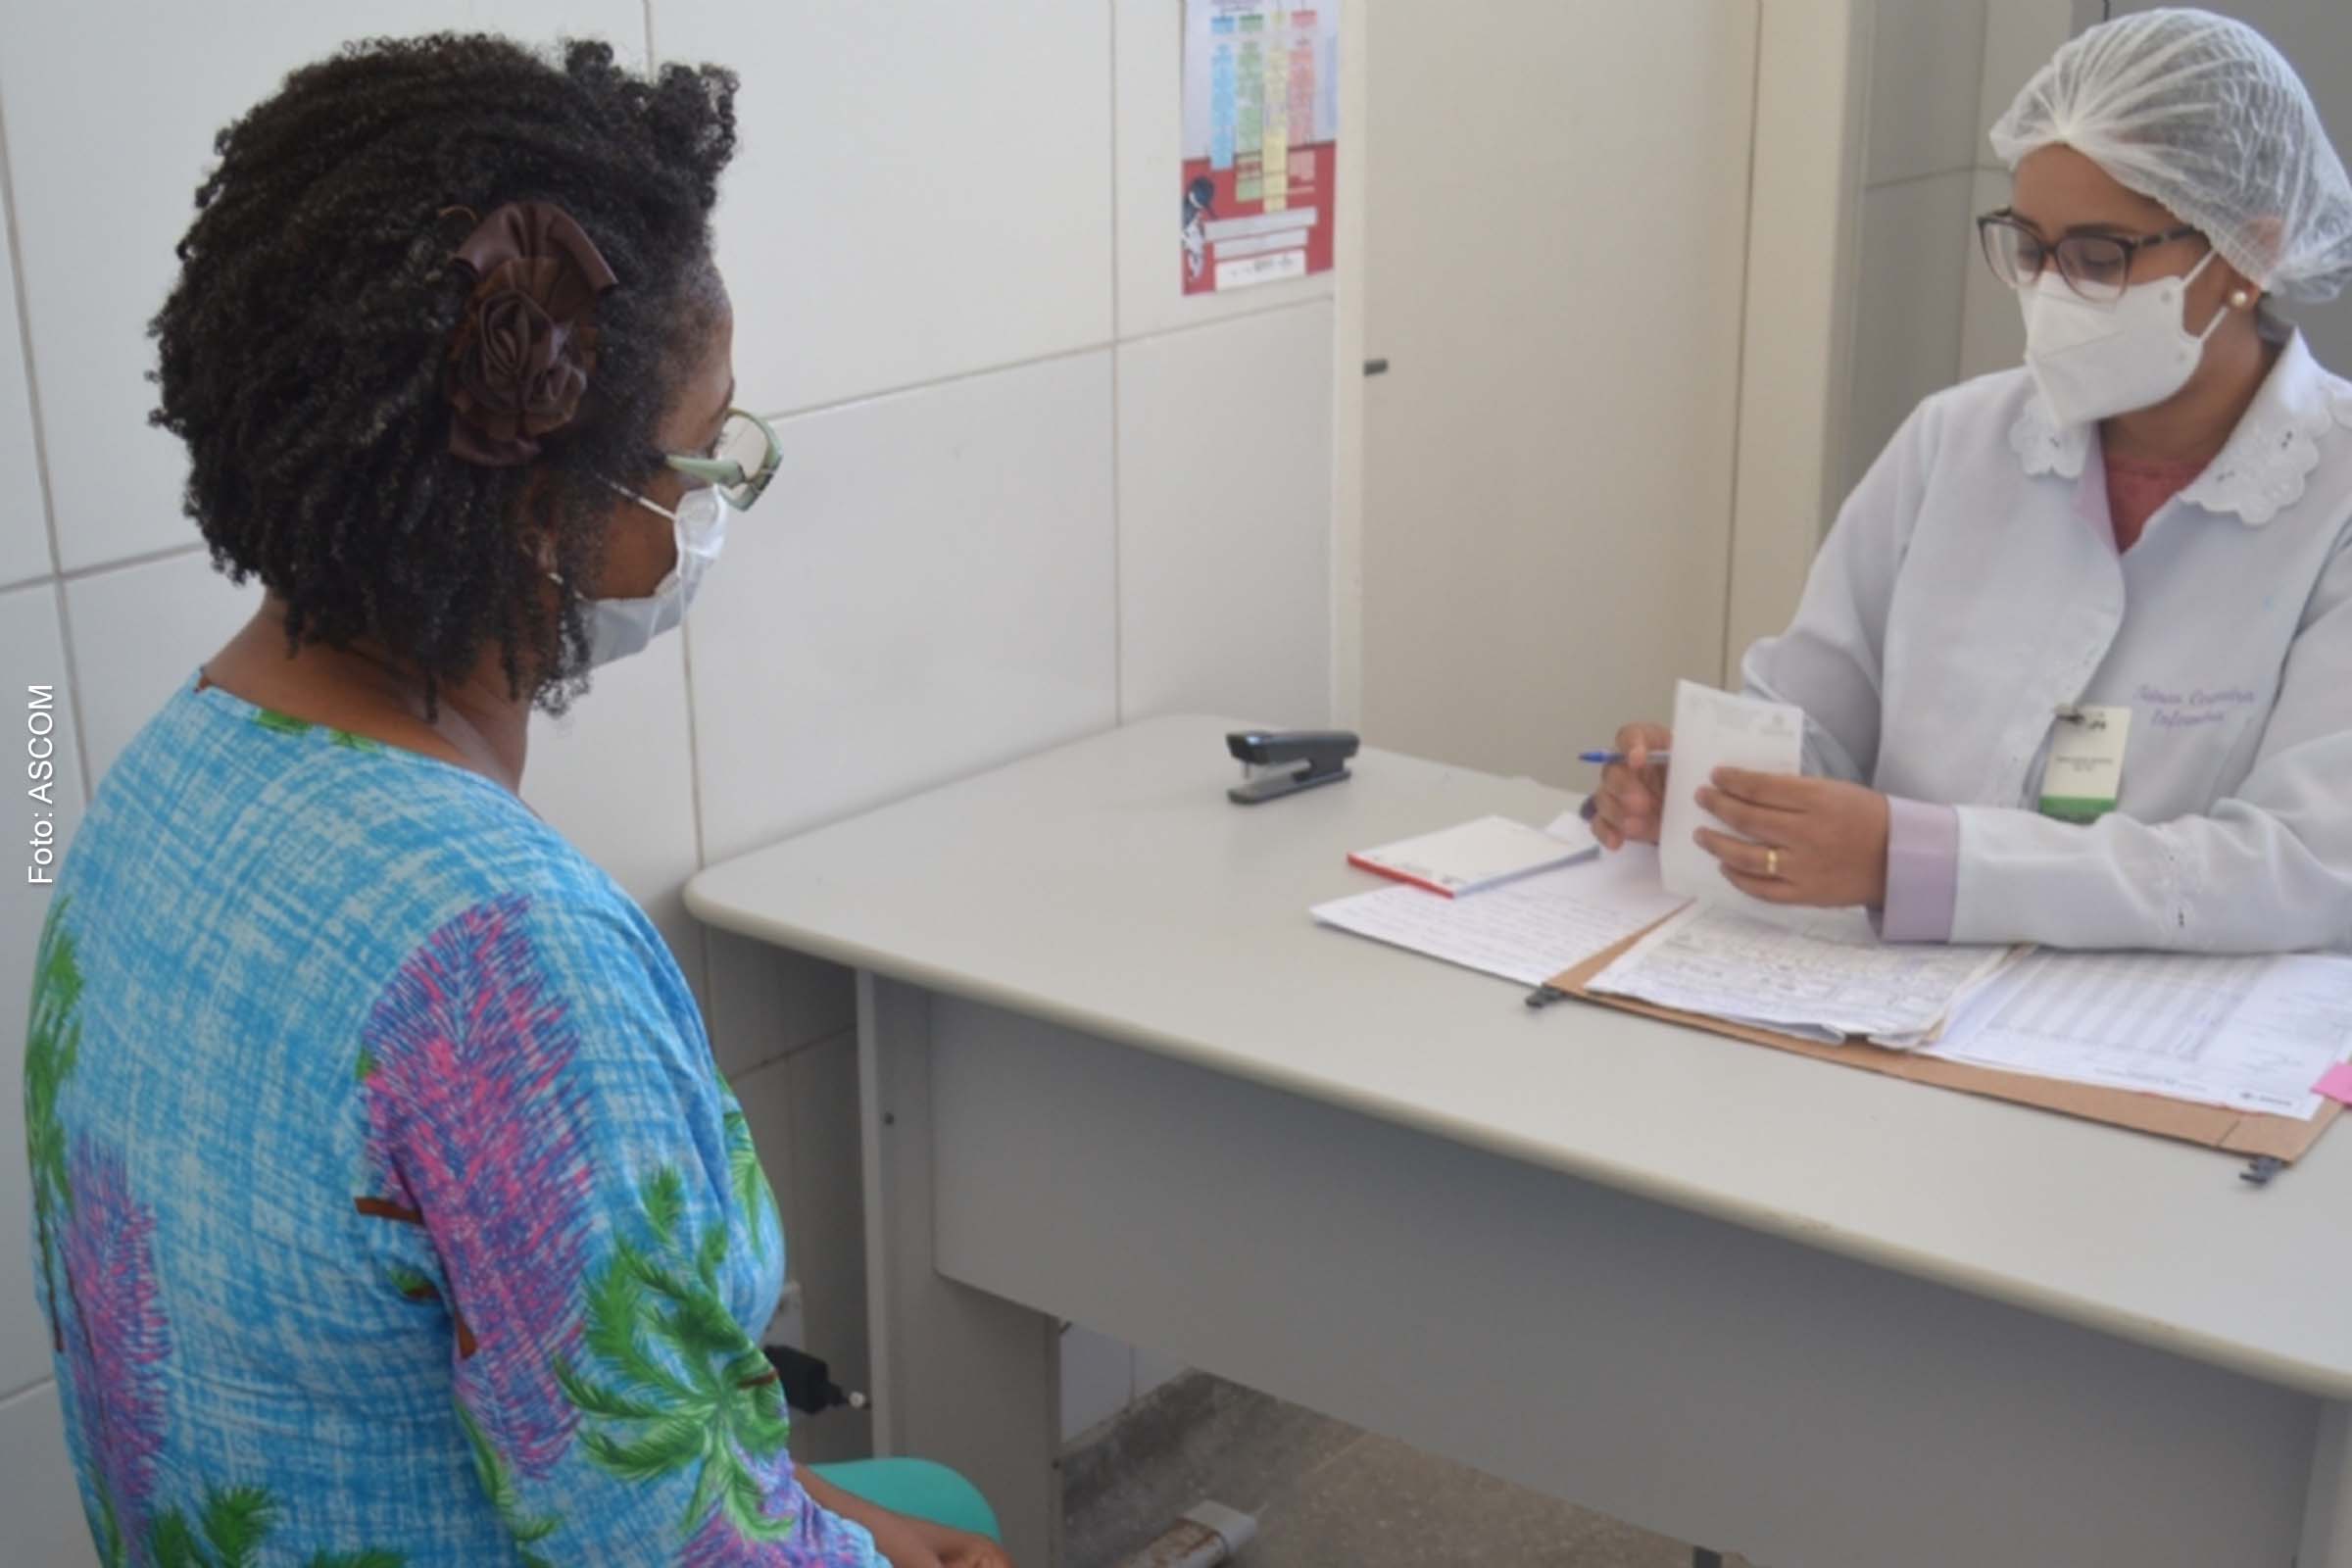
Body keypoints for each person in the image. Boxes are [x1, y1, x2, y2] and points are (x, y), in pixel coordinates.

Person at [23, 35, 1009, 1568]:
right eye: (697, 463)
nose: (708, 509)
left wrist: (806, 1506)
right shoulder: (506, 960)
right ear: (548, 513)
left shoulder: (148, 791)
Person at [1592, 8, 2352, 953]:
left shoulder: (2338, 500)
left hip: (2168, 1054)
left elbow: (2304, 866)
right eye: (2031, 248)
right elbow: (1816, 720)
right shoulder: (1955, 441)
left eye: (2098, 256)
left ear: (2251, 251)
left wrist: (1916, 862)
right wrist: (1708, 779)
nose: (2050, 292)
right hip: (1887, 1007)